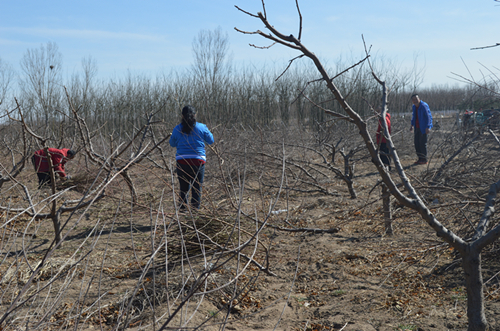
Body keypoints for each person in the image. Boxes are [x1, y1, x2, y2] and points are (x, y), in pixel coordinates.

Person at [169, 105, 214, 211]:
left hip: (182, 162)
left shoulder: (177, 128)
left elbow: (172, 143)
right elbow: (211, 141)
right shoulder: (202, 127)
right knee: (196, 189)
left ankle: (182, 213)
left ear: (182, 116)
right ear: (195, 115)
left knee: (183, 189)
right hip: (198, 162)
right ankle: (194, 215)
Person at [410, 94, 433, 165]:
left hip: (423, 127)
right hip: (417, 127)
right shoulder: (414, 107)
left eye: (416, 99)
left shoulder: (423, 106)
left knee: (422, 144)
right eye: (413, 100)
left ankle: (424, 159)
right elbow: (414, 116)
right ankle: (420, 159)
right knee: (417, 143)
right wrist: (412, 125)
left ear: (419, 99)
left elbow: (429, 117)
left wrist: (428, 127)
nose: (415, 101)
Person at [376, 106, 391, 171]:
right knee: (385, 154)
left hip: (383, 140)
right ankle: (387, 167)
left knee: (384, 155)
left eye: (378, 111)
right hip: (383, 140)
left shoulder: (384, 119)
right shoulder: (385, 118)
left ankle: (387, 168)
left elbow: (383, 130)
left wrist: (379, 137)